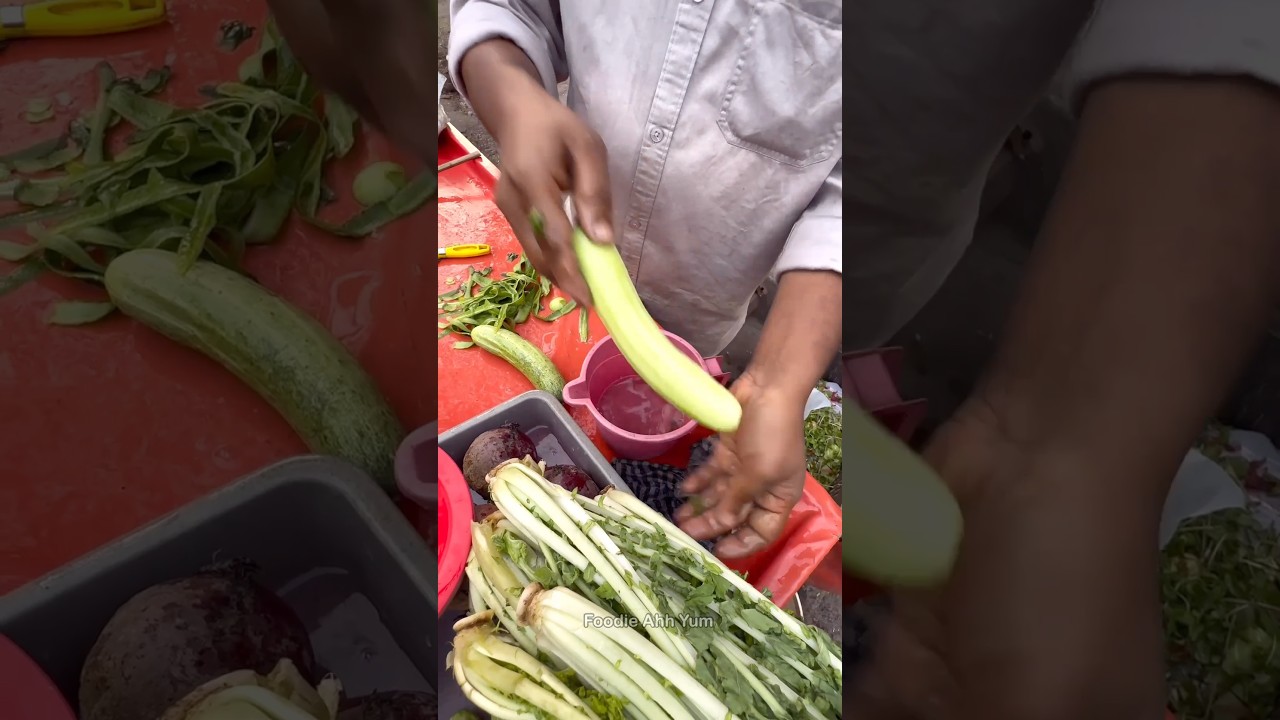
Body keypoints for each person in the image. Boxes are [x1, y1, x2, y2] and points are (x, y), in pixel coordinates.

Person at [266, 0, 1280, 717]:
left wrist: (793, 380)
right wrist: (512, 89)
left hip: (790, 296)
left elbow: (1212, 19)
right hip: (575, 230)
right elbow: (502, 9)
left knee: (746, 413)